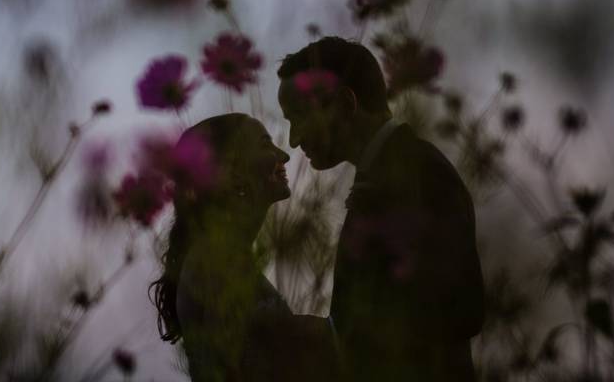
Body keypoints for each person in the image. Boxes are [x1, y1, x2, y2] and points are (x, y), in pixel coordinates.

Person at [277, 37, 484, 382]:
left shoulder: (419, 172)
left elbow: (463, 309)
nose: (294, 139)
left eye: (298, 116)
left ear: (344, 103)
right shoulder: (385, 172)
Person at [150, 113, 340, 382]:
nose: (283, 157)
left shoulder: (221, 256)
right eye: (265, 145)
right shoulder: (213, 262)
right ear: (231, 172)